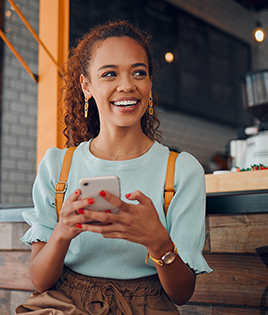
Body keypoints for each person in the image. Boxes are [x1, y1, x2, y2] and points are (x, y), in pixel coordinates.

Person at [15, 20, 212, 315]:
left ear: (149, 84)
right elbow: (40, 280)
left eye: (139, 73)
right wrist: (62, 232)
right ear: (86, 85)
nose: (127, 85)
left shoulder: (181, 171)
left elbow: (182, 294)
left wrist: (159, 243)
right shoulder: (58, 166)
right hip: (66, 305)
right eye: (109, 74)